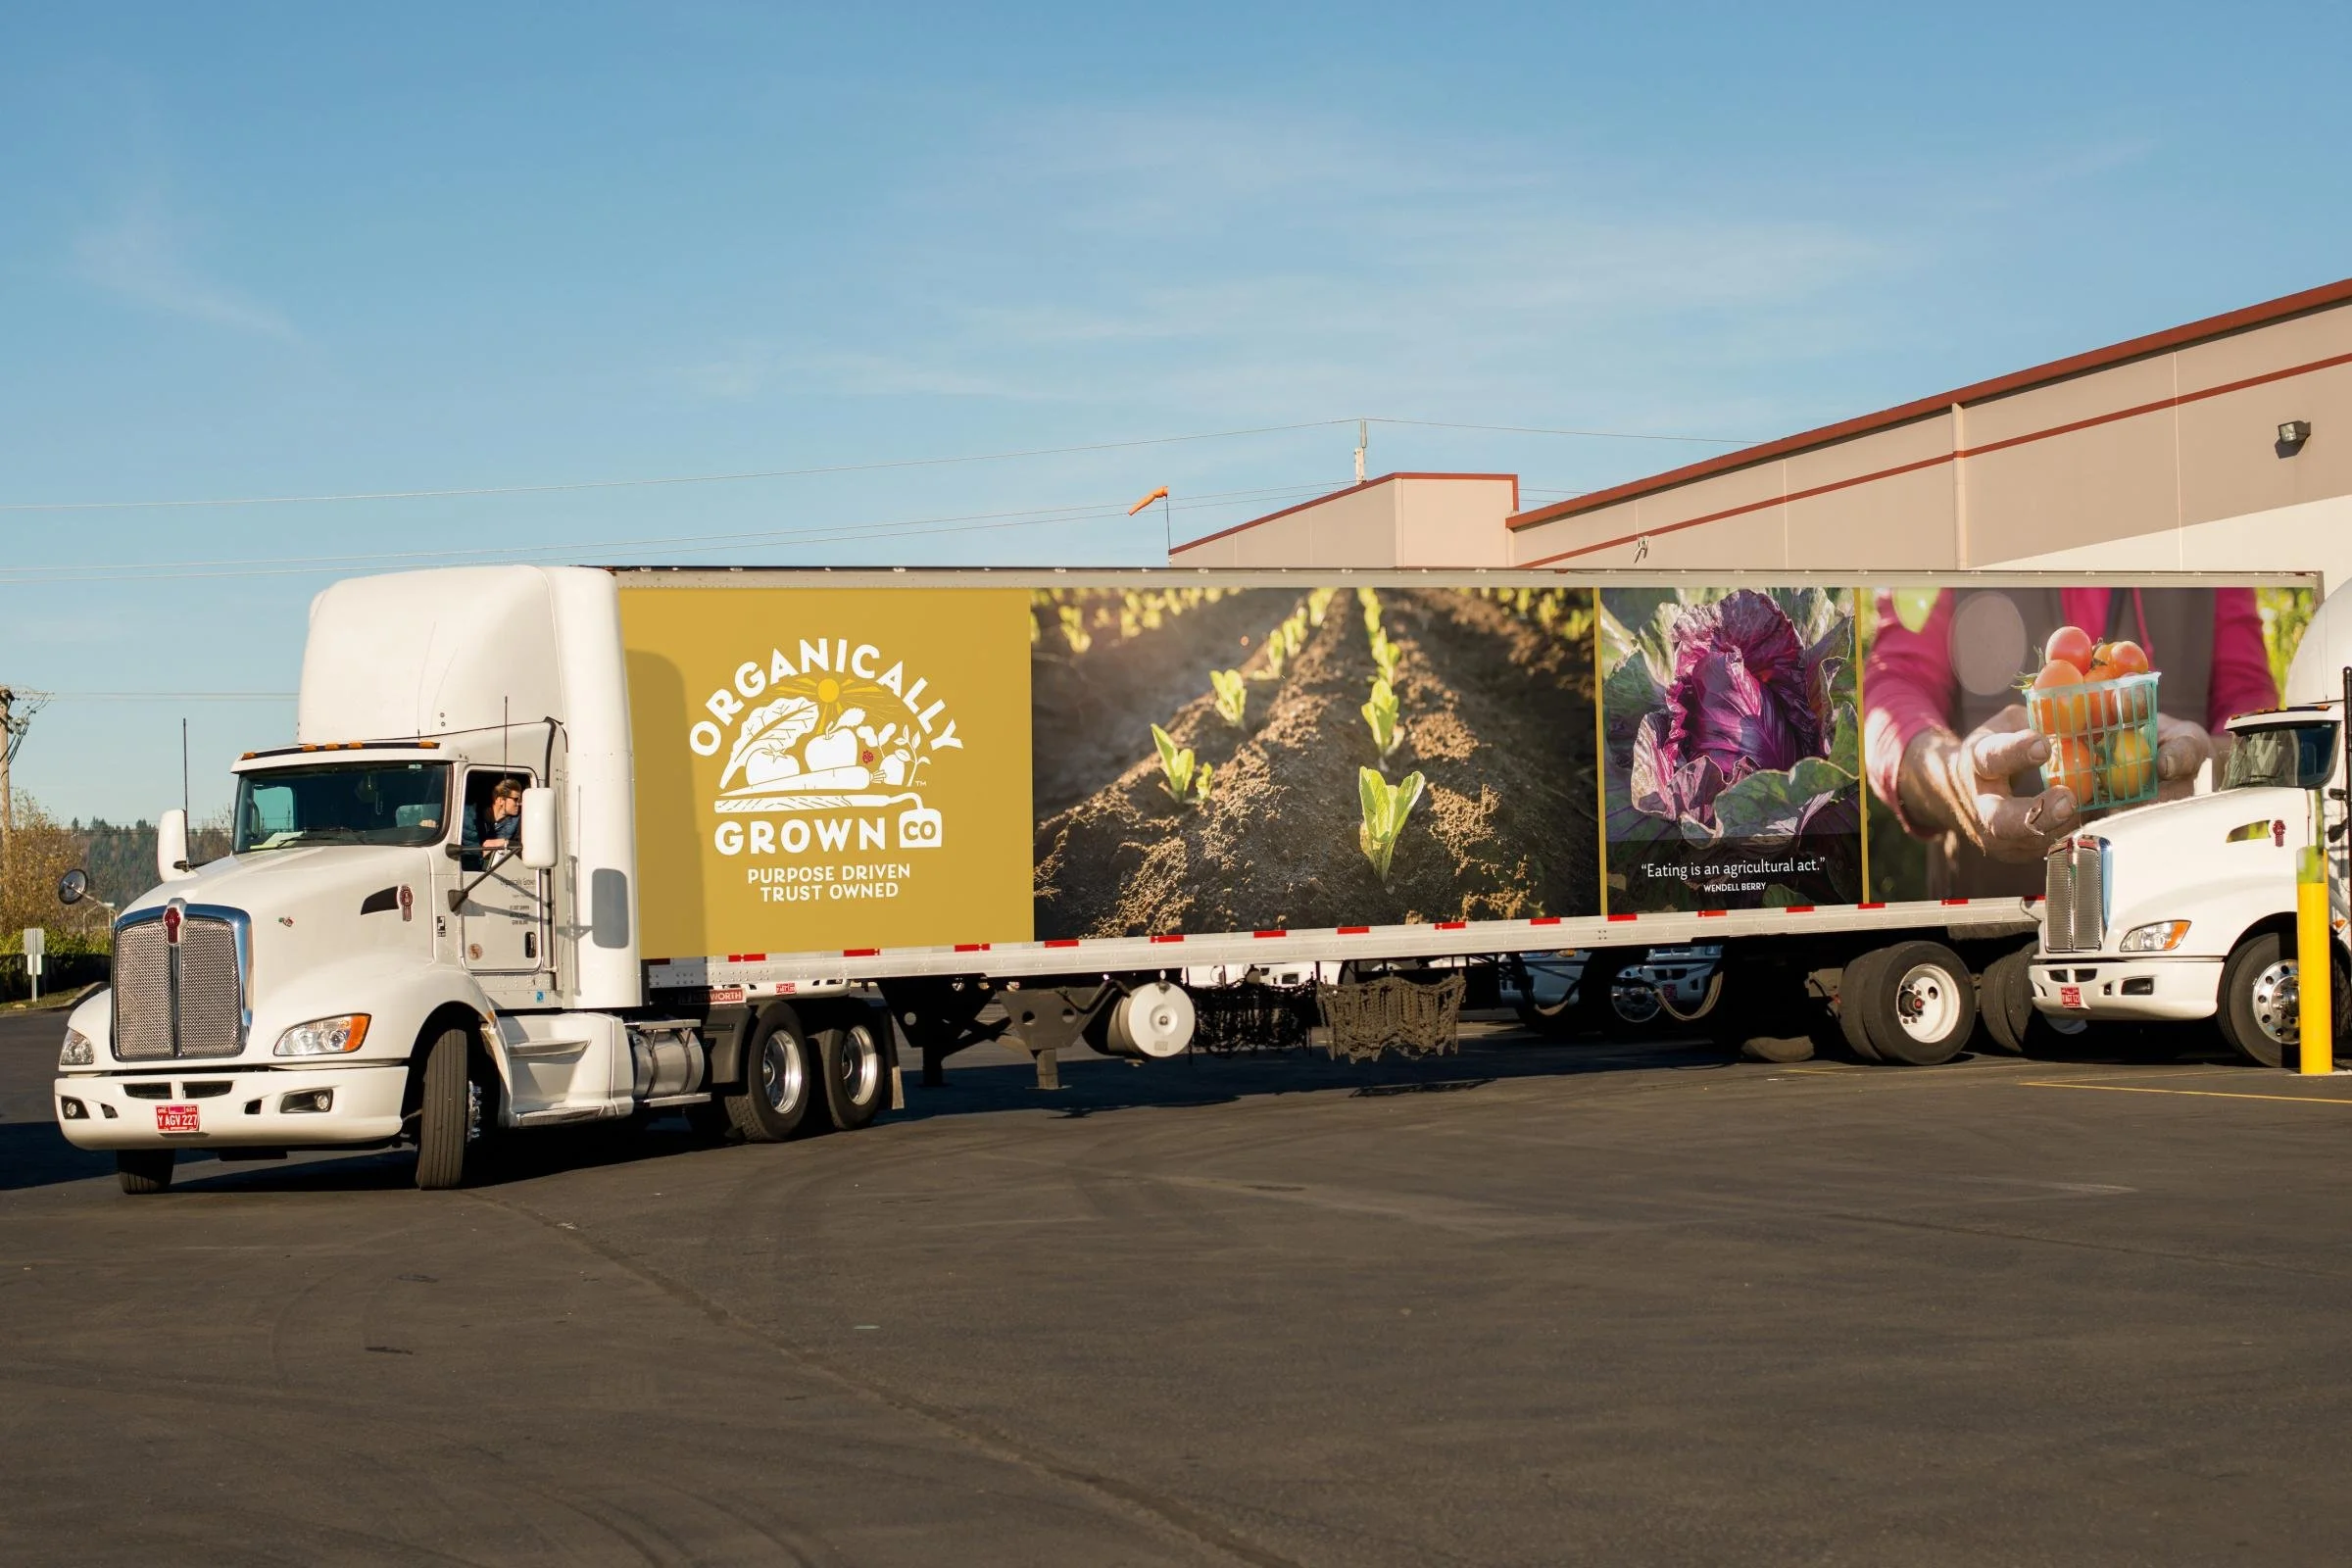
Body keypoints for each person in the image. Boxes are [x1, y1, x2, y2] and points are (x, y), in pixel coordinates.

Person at [1864, 585, 2279, 897]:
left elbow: (2251, 706)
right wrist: (1951, 777)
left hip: (2174, 913)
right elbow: (1893, 688)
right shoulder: (1950, 499)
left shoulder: (2202, 497)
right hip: (2000, 929)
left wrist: (2214, 763)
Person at [477, 777, 525, 853]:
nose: (519, 804)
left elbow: (524, 847)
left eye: (520, 800)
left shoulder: (519, 820)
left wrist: (505, 842)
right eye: (516, 799)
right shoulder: (476, 816)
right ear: (501, 800)